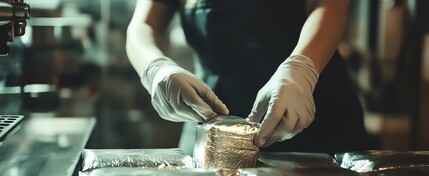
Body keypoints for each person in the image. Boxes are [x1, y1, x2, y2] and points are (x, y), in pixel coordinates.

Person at [126, 0, 374, 156]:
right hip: (213, 130)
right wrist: (156, 68)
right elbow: (143, 26)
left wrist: (302, 68)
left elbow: (330, 6)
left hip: (312, 120)